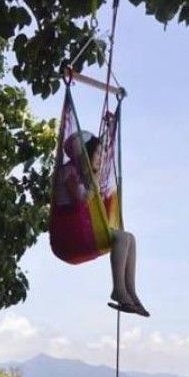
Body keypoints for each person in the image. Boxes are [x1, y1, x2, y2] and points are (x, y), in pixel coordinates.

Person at [62, 129, 150, 318]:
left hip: (82, 229)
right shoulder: (69, 172)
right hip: (71, 234)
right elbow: (81, 200)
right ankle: (119, 288)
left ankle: (129, 290)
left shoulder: (83, 175)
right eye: (98, 152)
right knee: (121, 237)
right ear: (85, 154)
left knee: (129, 238)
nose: (101, 158)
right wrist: (92, 181)